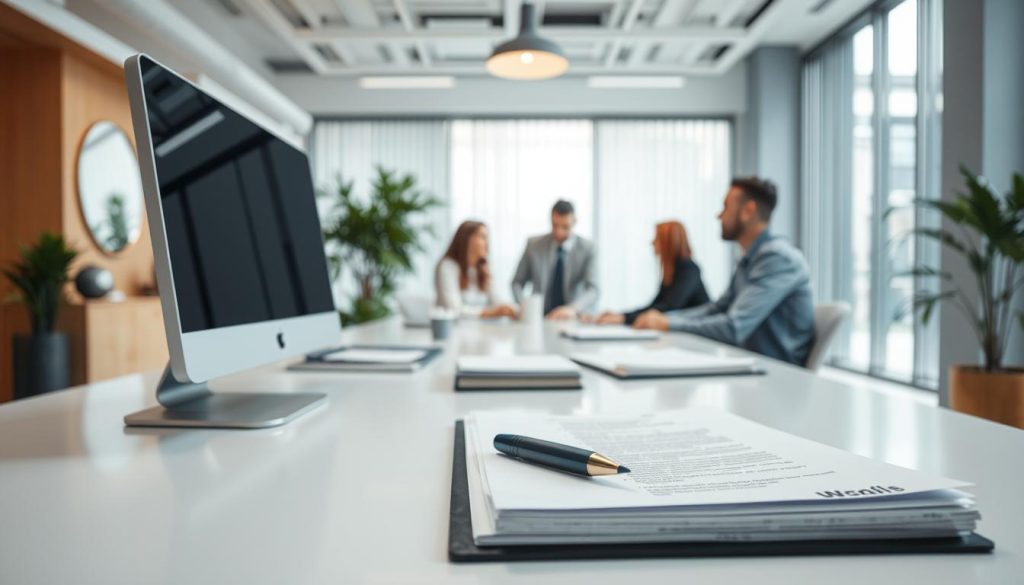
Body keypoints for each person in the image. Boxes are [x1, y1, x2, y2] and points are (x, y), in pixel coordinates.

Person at [633, 178, 815, 366]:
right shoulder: (749, 260)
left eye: (725, 206)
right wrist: (666, 319)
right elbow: (718, 308)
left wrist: (668, 324)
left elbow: (734, 327)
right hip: (747, 364)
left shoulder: (778, 258)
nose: (719, 215)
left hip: (777, 375)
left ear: (748, 211)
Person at [591, 221, 710, 326]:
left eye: (657, 238)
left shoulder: (689, 269)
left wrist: (623, 318)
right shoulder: (671, 271)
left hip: (696, 333)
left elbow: (668, 307)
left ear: (669, 242)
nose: (652, 242)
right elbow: (655, 305)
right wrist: (621, 315)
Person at [511, 200, 598, 320]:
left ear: (575, 222)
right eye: (555, 225)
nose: (559, 232)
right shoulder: (533, 245)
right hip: (539, 316)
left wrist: (573, 309)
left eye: (565, 227)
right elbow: (517, 283)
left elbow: (593, 289)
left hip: (573, 316)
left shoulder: (588, 248)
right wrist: (524, 306)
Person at [436, 221, 518, 319]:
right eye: (482, 237)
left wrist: (511, 309)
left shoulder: (483, 269)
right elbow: (454, 310)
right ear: (467, 239)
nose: (486, 243)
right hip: (453, 329)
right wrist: (490, 313)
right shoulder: (448, 267)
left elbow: (499, 302)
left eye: (487, 237)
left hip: (481, 330)